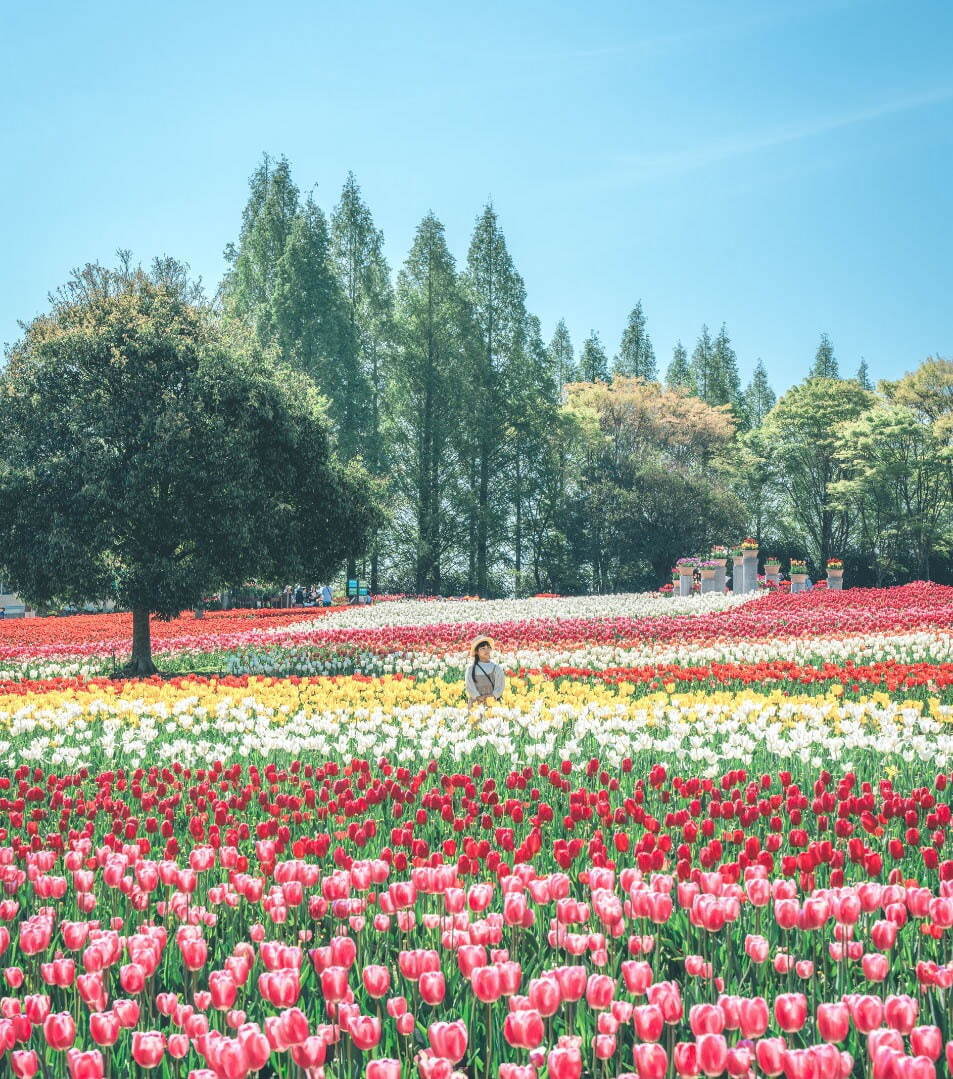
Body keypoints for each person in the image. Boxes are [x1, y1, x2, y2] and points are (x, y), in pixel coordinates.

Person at [465, 636, 505, 707]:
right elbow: (469, 686)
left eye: (488, 648)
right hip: (476, 704)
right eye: (483, 648)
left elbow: (500, 686)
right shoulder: (471, 669)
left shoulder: (496, 668)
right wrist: (477, 697)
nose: (486, 650)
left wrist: (492, 696)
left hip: (492, 703)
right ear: (476, 652)